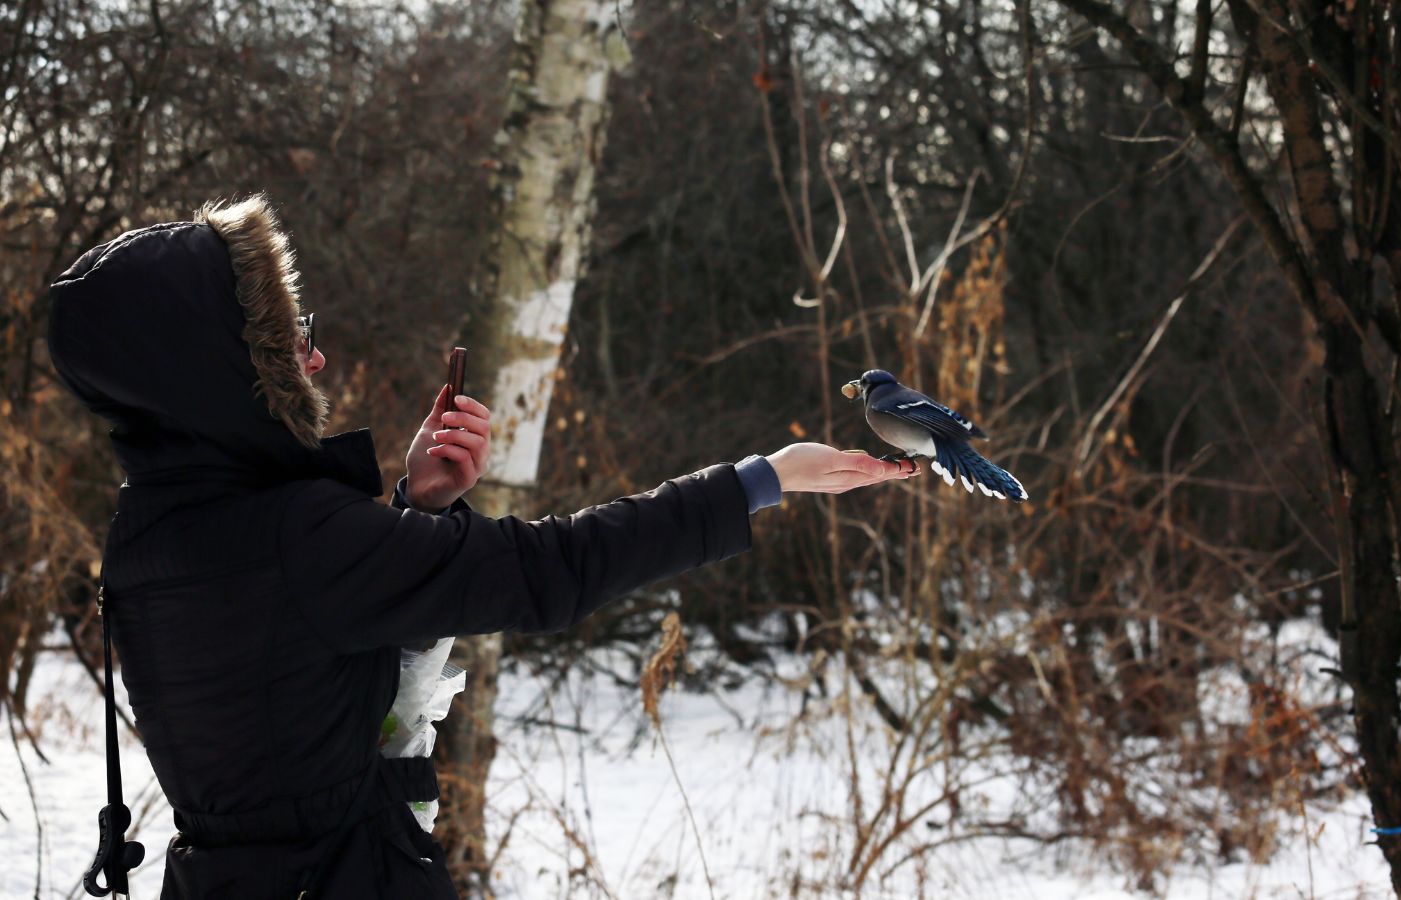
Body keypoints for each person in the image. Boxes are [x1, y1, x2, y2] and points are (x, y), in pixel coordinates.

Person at [46, 194, 915, 899]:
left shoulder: (149, 534)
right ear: (229, 374)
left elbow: (303, 669)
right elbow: (553, 570)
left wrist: (414, 510)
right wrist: (762, 478)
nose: (315, 358)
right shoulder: (298, 539)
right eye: (291, 338)